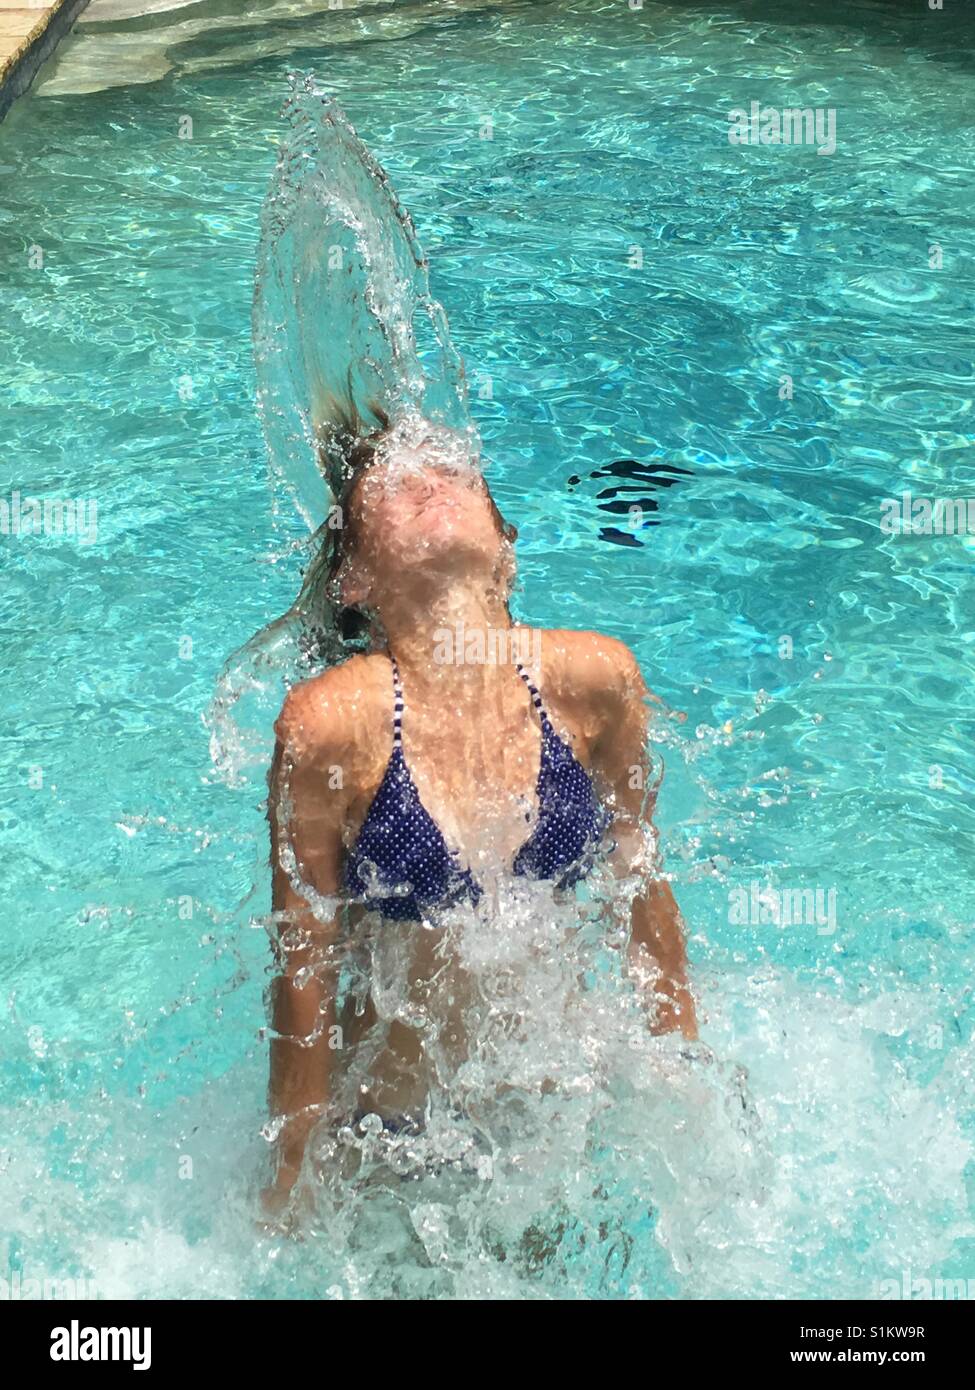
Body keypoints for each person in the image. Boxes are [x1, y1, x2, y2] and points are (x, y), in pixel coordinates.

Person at [265, 423, 696, 1207]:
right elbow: (303, 964)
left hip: (552, 1114)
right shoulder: (330, 723)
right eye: (394, 484)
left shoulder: (597, 680)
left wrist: (686, 1072)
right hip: (394, 1132)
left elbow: (643, 887)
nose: (428, 479)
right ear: (353, 577)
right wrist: (291, 1172)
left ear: (505, 546)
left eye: (454, 473)